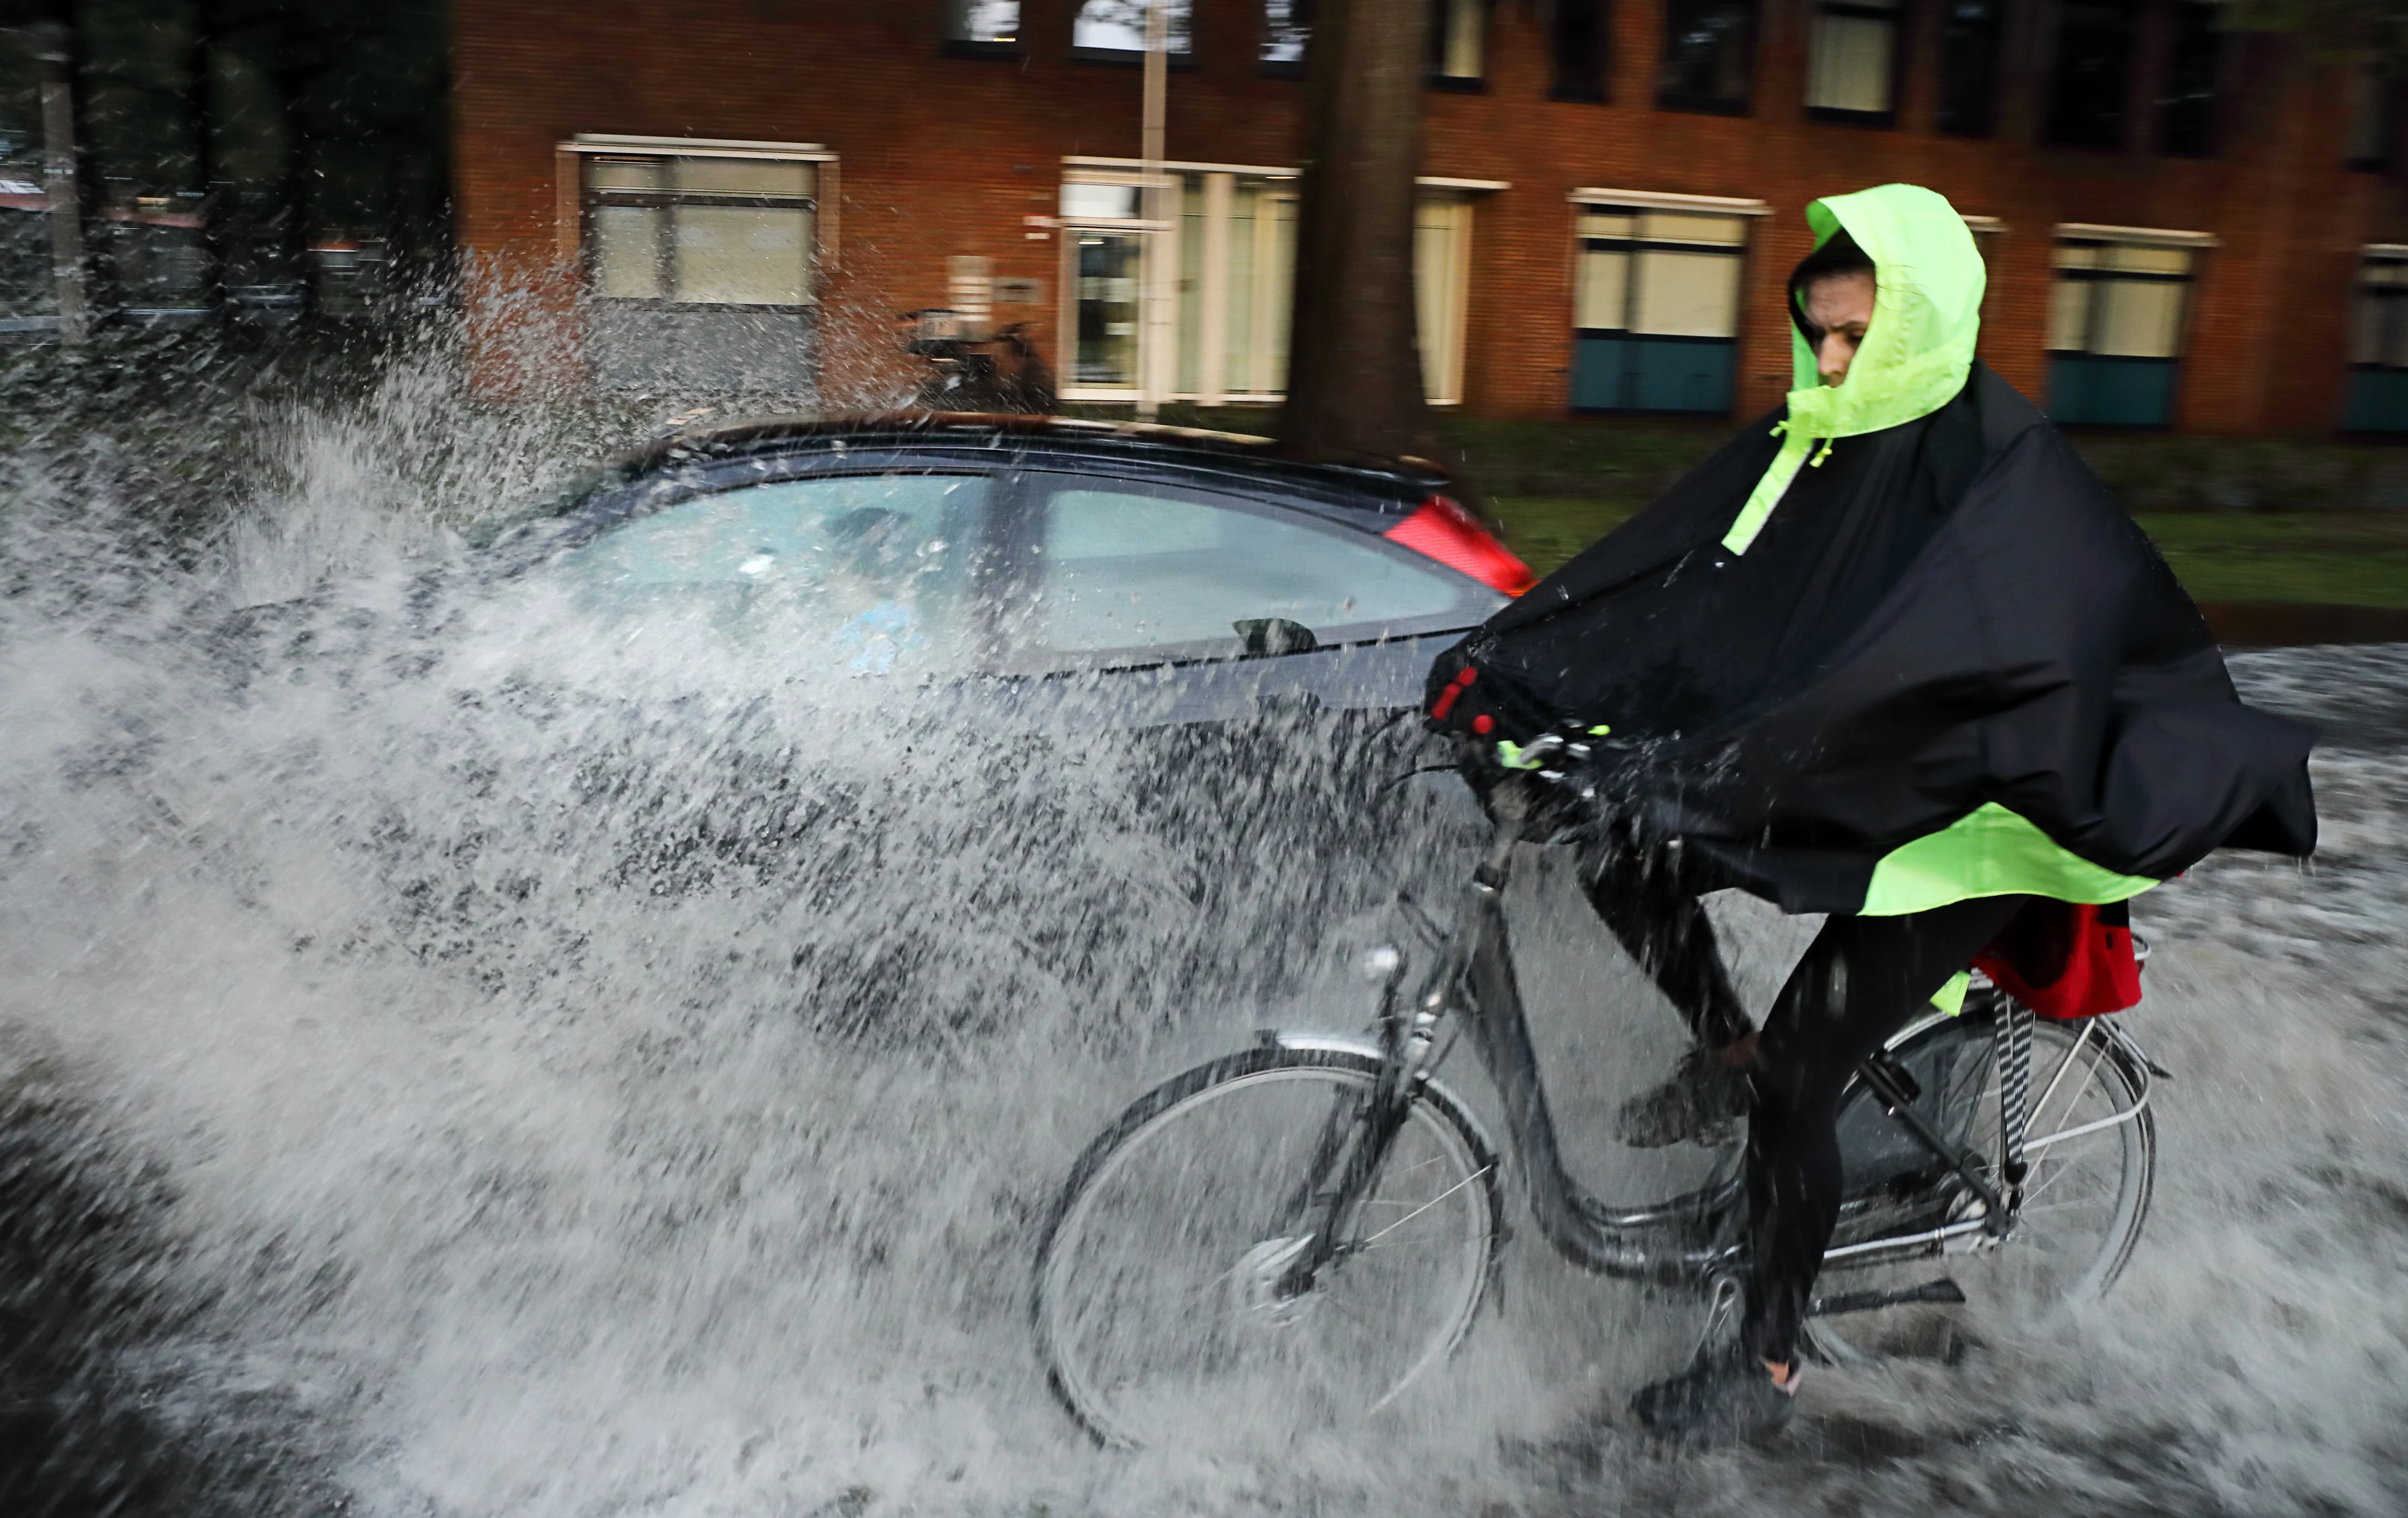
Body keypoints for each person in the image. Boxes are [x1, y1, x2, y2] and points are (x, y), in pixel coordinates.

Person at [1422, 184, 2316, 1445]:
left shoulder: (1996, 470)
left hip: (2001, 811)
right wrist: (1526, 681)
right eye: (1821, 335)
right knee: (1612, 835)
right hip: (1894, 781)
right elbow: (1689, 591)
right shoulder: (1826, 444)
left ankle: (1766, 1367)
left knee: (1805, 1073)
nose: (1832, 361)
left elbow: (1934, 668)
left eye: (1858, 337)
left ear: (1920, 326)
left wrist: (1736, 759)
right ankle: (1721, 1052)